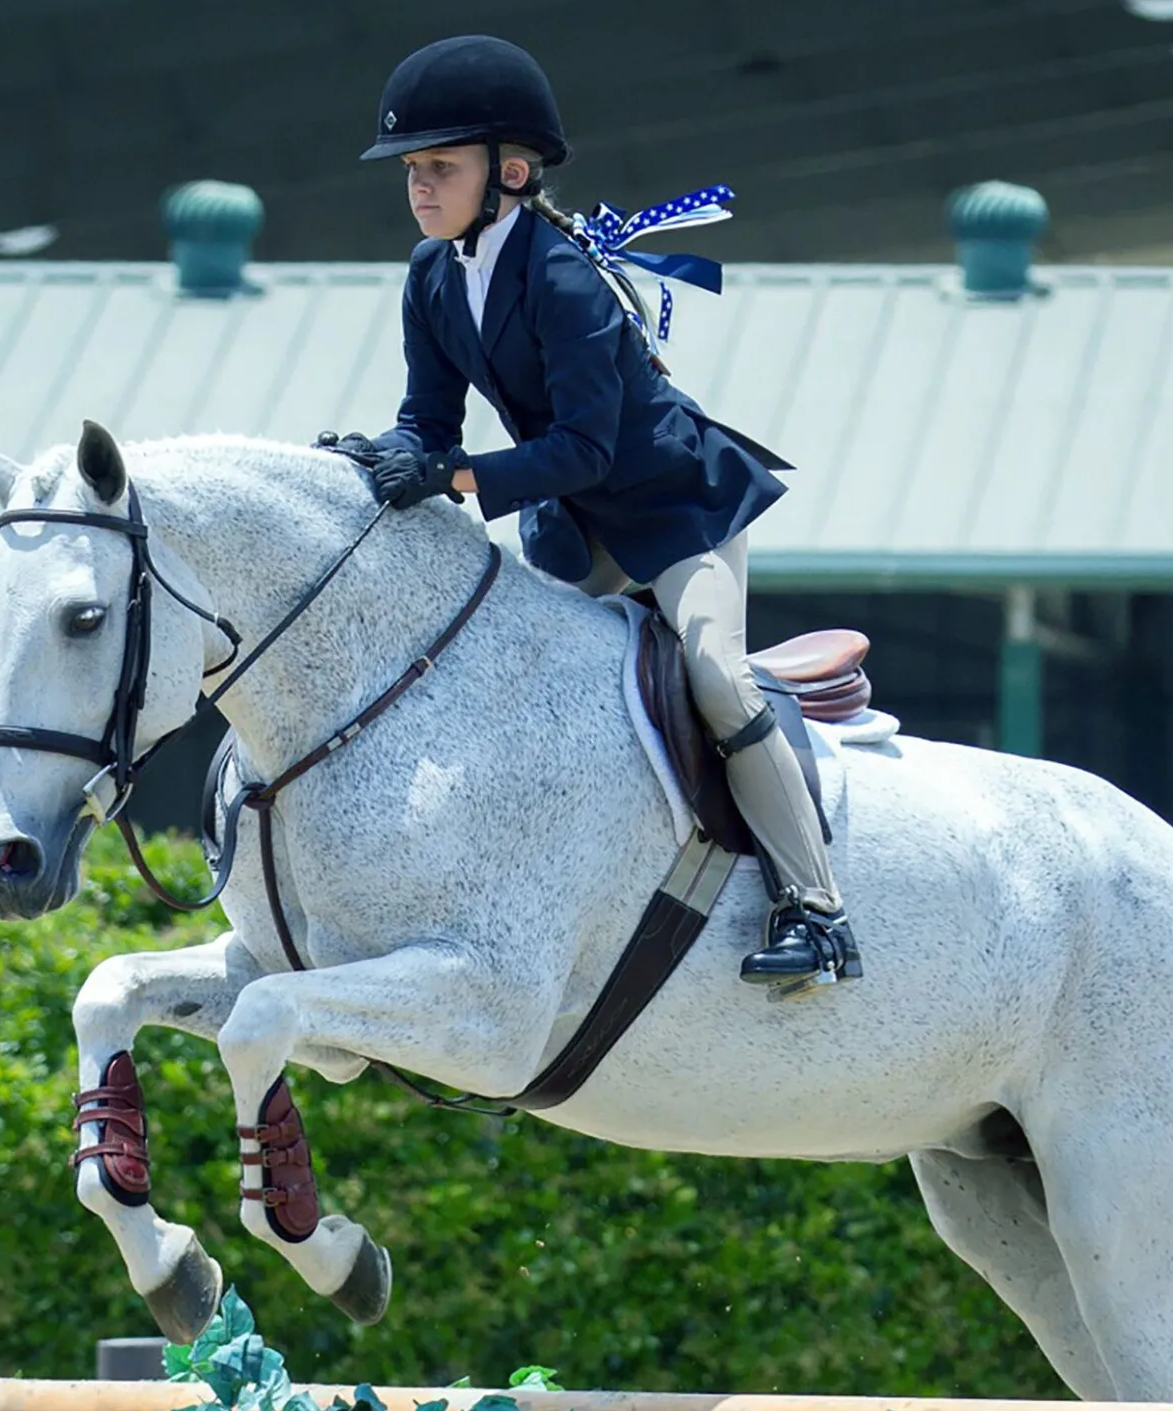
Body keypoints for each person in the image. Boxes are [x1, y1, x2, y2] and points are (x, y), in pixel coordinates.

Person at [319, 34, 860, 992]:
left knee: (716, 679)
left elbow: (586, 449)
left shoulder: (561, 277)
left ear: (510, 173)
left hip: (676, 508)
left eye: (440, 167)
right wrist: (383, 459)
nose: (419, 186)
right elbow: (427, 420)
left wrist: (448, 479)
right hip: (576, 524)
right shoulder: (433, 275)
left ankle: (817, 911)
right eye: (412, 169)